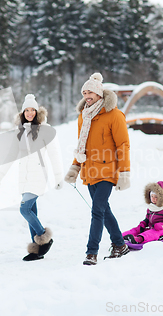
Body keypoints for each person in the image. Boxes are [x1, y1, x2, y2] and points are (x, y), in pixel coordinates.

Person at [64, 72, 131, 266]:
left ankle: (91, 252)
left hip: (108, 171)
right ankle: (119, 244)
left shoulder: (114, 115)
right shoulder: (83, 117)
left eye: (90, 92)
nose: (87, 95)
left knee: (97, 211)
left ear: (99, 93)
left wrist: (124, 172)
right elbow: (80, 145)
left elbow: (123, 145)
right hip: (90, 172)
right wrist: (75, 167)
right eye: (84, 92)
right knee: (104, 210)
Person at [0, 94, 63, 261]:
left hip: (38, 177)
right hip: (24, 179)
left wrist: (58, 177)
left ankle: (44, 238)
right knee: (31, 211)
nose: (30, 113)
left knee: (24, 209)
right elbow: (10, 155)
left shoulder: (45, 130)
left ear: (37, 112)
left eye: (33, 110)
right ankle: (36, 251)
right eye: (27, 110)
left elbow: (54, 154)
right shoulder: (21, 132)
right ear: (23, 112)